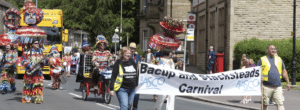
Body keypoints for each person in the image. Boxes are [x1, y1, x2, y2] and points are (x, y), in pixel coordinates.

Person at [257, 44, 290, 110]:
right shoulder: (262, 59)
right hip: (266, 86)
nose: (273, 50)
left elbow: (284, 71)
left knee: (280, 103)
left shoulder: (279, 59)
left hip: (277, 86)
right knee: (265, 104)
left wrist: (288, 82)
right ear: (267, 50)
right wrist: (259, 78)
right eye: (271, 49)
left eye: (274, 49)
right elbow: (256, 71)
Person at [21, 39, 45, 103]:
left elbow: (44, 60)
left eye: (38, 43)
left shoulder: (40, 51)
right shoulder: (27, 51)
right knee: (28, 85)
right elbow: (23, 61)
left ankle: (38, 99)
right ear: (32, 44)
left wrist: (43, 62)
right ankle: (28, 98)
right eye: (36, 43)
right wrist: (29, 65)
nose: (38, 44)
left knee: (38, 85)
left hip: (38, 72)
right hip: (30, 71)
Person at [129, 42, 141, 110]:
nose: (132, 50)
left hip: (136, 79)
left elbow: (141, 66)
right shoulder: (127, 56)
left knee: (136, 96)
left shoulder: (138, 57)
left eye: (134, 49)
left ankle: (135, 108)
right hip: (128, 78)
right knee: (129, 97)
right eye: (131, 48)